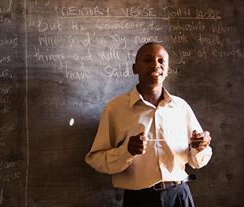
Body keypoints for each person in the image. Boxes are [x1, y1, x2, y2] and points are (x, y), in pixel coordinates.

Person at [85, 42, 212, 207]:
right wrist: (127, 151)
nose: (155, 65)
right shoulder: (116, 109)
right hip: (139, 199)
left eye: (161, 61)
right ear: (134, 68)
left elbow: (197, 162)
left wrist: (200, 147)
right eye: (148, 60)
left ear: (167, 69)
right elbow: (96, 159)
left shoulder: (180, 107)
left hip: (179, 196)